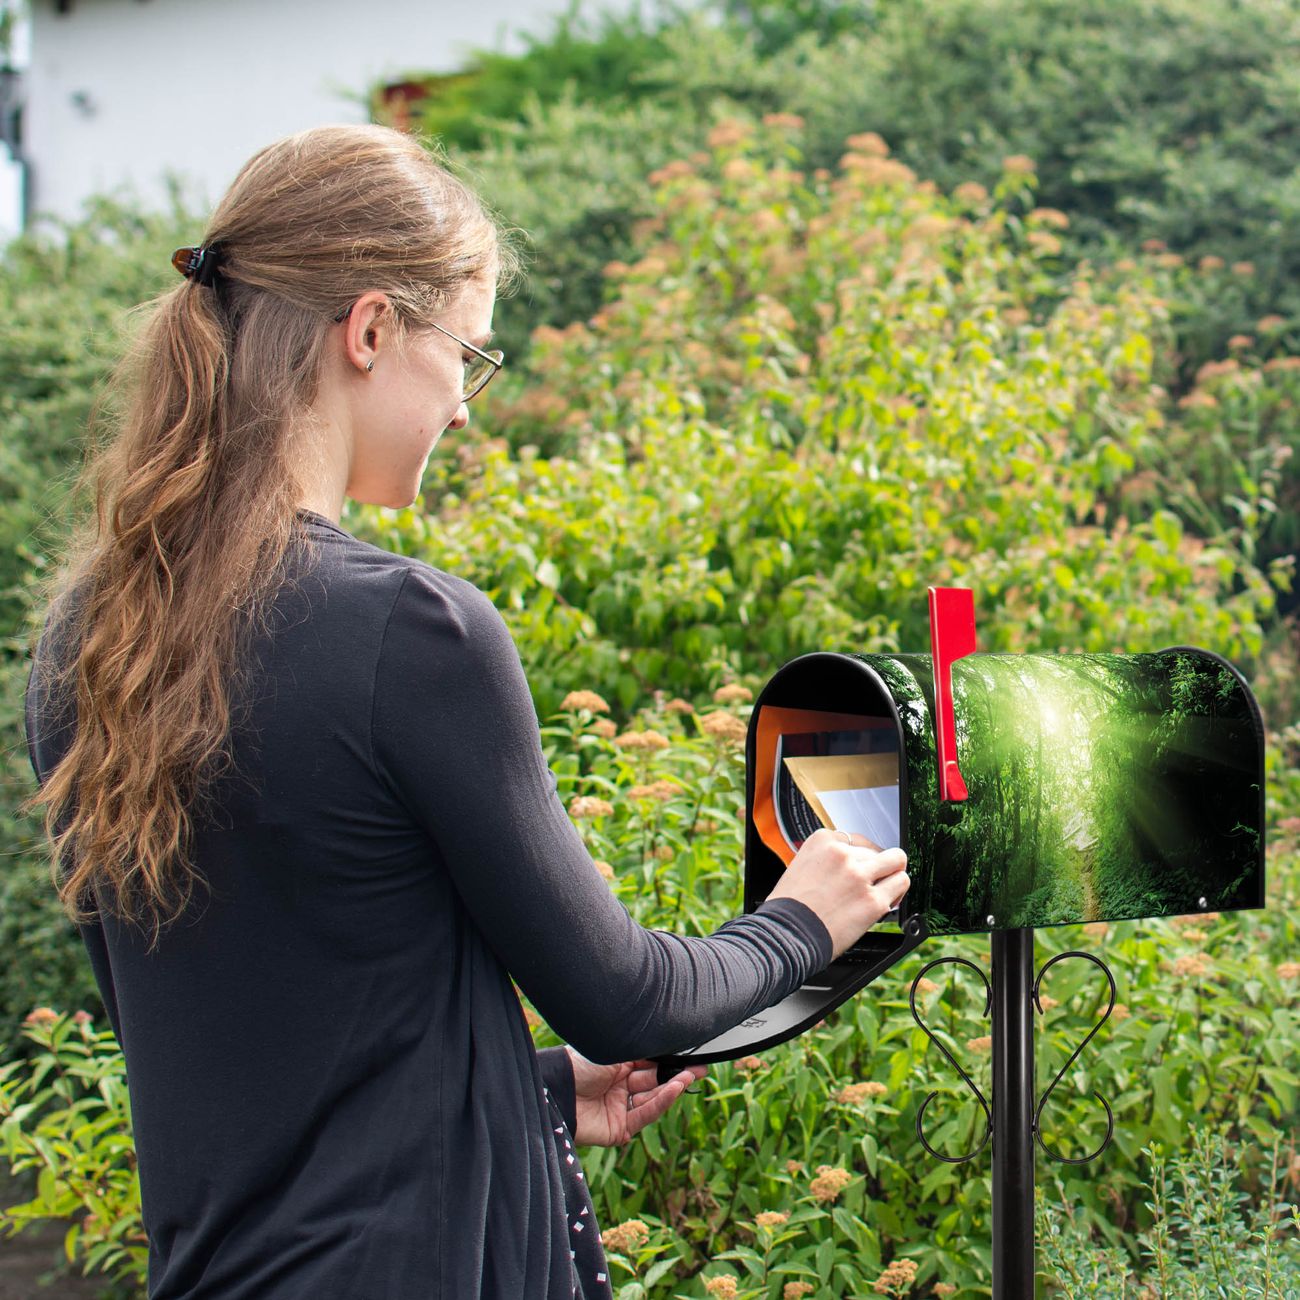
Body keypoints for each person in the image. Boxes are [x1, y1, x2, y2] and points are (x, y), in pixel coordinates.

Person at [22, 124, 910, 1300]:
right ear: (370, 329)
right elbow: (628, 996)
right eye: (467, 355)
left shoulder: (87, 640)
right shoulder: (406, 630)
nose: (465, 408)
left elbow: (235, 1046)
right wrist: (802, 919)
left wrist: (527, 1087)